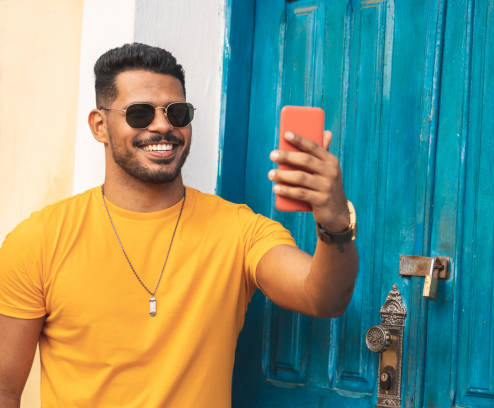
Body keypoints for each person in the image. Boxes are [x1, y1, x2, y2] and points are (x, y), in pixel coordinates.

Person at [0, 43, 358, 407]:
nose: (162, 126)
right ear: (99, 125)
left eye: (177, 112)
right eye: (139, 113)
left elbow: (323, 298)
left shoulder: (238, 230)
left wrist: (334, 223)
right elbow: (4, 389)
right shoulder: (39, 240)